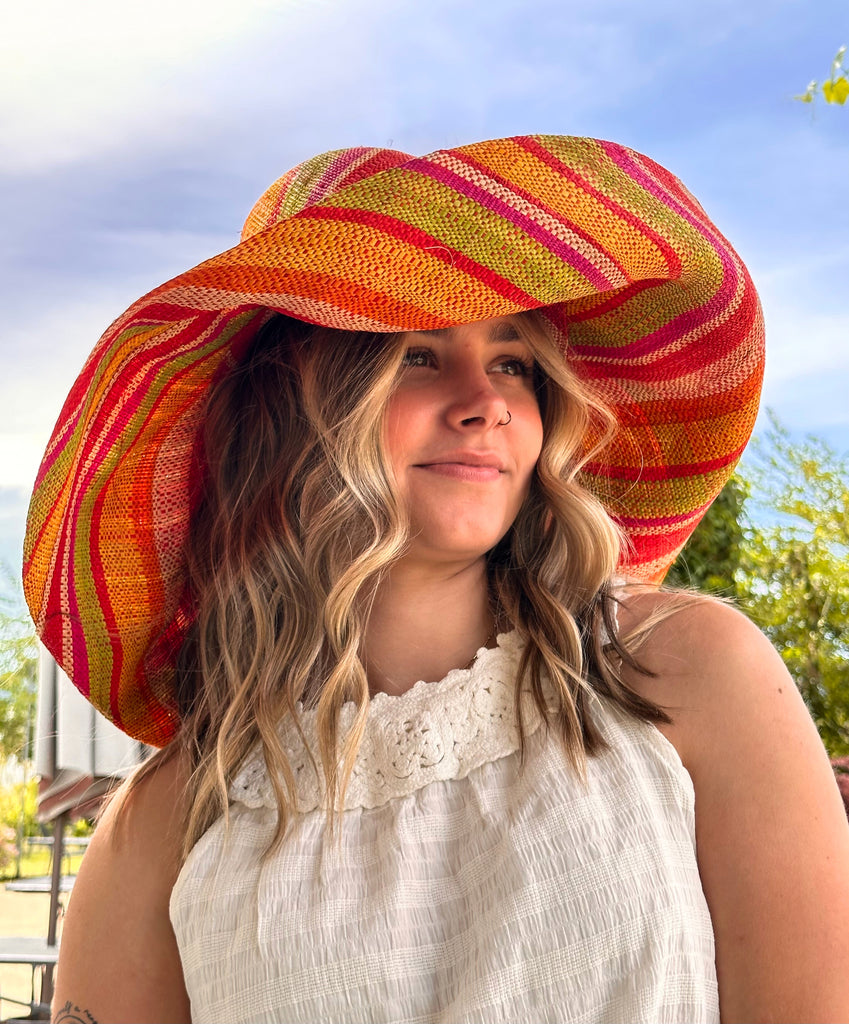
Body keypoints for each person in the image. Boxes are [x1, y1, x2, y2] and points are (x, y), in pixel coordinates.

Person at [24, 136, 849, 1024]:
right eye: (417, 355)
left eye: (513, 363)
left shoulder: (684, 670)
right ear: (293, 405)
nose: (486, 400)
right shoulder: (170, 819)